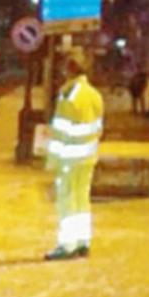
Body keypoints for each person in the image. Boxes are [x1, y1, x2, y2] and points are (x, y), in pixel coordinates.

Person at [44, 53, 104, 260]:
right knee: (81, 199)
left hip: (68, 159)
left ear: (68, 70)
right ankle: (82, 241)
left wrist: (52, 160)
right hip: (87, 158)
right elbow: (97, 128)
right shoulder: (94, 95)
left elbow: (61, 133)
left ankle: (67, 245)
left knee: (66, 201)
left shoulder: (69, 96)